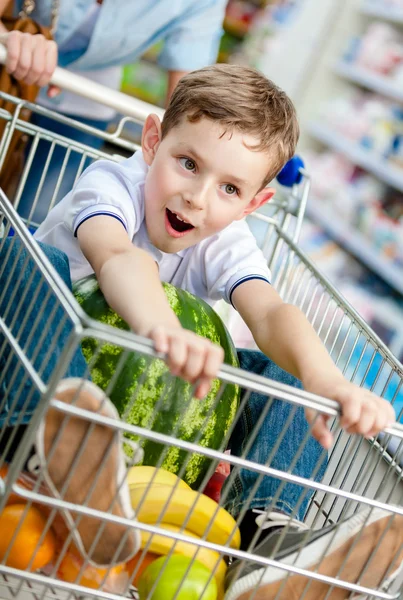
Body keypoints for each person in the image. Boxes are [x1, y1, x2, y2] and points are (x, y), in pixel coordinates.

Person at [27, 63, 401, 598]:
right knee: (19, 265)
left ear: (254, 204)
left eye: (229, 188)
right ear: (152, 141)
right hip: (56, 353)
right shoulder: (112, 185)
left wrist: (326, 380)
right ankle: (67, 456)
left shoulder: (224, 237)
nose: (197, 198)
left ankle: (268, 537)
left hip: (151, 380)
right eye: (187, 163)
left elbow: (271, 313)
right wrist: (161, 327)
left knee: (279, 374)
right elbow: (115, 256)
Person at [0, 0, 228, 219]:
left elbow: (188, 95)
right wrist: (7, 38)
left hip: (88, 96)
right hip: (8, 61)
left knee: (40, 213)